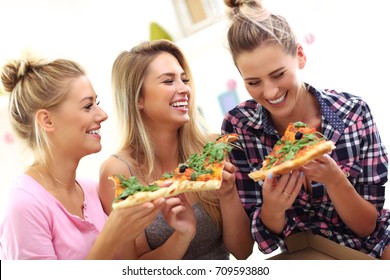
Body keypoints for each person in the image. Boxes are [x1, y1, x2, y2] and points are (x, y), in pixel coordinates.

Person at [221, 0, 390, 259]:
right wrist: (273, 209)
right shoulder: (239, 127)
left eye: (278, 74)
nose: (269, 92)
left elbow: (369, 226)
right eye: (253, 82)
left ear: (300, 55)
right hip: (306, 253)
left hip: (374, 249)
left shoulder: (354, 113)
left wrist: (335, 180)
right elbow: (258, 243)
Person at [99, 39, 253, 260]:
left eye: (184, 79)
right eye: (168, 81)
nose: (184, 89)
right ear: (138, 98)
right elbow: (132, 268)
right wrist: (182, 235)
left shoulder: (211, 150)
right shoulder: (119, 173)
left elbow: (242, 251)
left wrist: (228, 195)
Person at [0, 54, 165, 259]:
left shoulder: (92, 190)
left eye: (97, 103)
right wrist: (111, 234)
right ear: (47, 120)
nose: (102, 115)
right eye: (88, 106)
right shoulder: (24, 205)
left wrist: (183, 234)